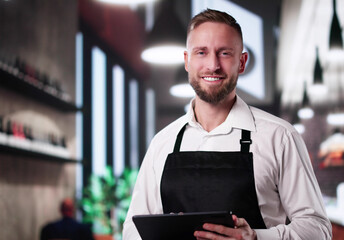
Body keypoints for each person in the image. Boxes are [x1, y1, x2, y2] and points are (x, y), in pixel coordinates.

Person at [123, 9, 332, 240]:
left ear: (241, 62)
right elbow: (133, 230)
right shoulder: (162, 143)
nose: (213, 65)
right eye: (201, 52)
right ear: (187, 61)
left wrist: (255, 237)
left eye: (224, 53)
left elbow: (318, 229)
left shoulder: (280, 137)